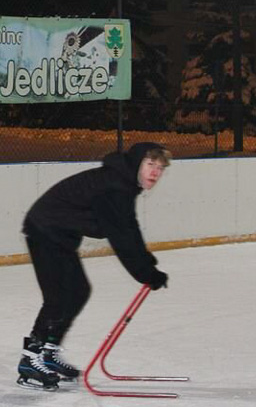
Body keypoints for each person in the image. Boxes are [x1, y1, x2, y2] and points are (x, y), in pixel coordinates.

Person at [16, 142, 171, 391]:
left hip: (59, 235)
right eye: (150, 164)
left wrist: (147, 265)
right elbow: (120, 236)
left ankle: (48, 351)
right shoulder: (114, 187)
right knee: (57, 298)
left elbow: (129, 227)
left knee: (78, 292)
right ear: (136, 163)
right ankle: (30, 361)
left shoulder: (124, 185)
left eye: (160, 168)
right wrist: (145, 272)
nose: (155, 172)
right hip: (44, 230)